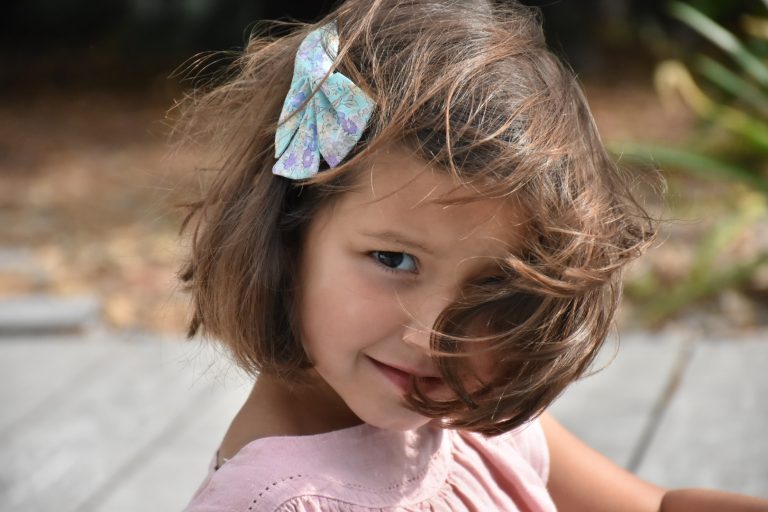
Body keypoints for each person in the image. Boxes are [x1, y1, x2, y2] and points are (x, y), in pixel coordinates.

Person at [177, 1, 768, 510]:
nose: (436, 337)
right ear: (290, 228)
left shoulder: (468, 424)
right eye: (393, 260)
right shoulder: (274, 501)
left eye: (493, 289)